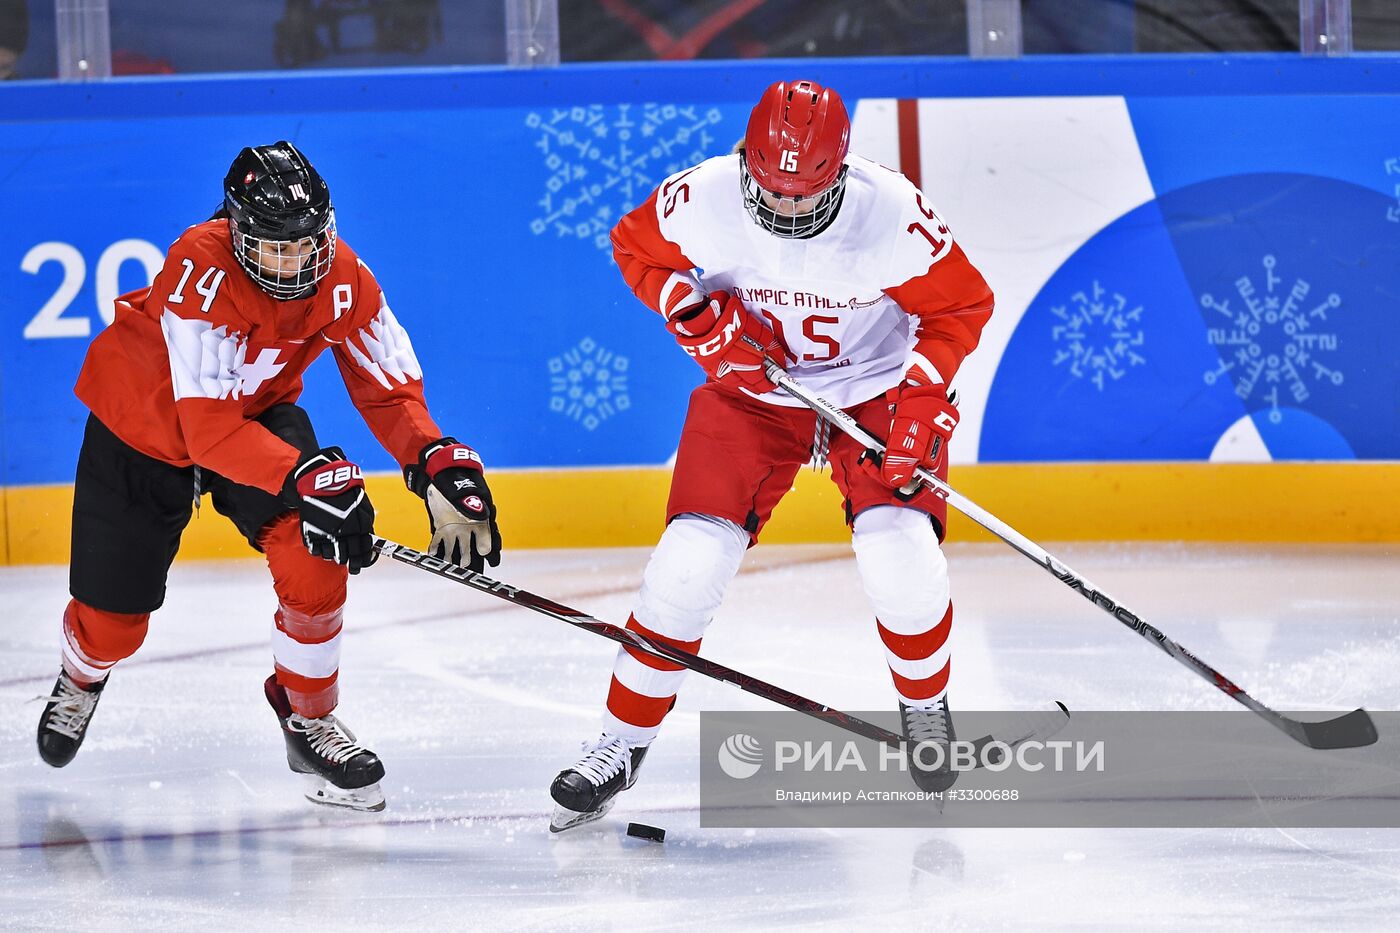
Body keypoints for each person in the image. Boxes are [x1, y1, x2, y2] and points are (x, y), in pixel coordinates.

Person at [548, 79, 994, 831]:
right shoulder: (703, 198)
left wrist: (922, 394)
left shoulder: (891, 216)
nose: (786, 208)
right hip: (754, 388)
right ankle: (619, 743)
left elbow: (961, 307)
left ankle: (926, 708)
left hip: (873, 387)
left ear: (842, 173)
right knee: (687, 563)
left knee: (900, 552)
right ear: (746, 160)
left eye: (807, 195)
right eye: (772, 191)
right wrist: (696, 322)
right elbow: (635, 250)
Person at [36, 141, 501, 812]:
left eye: (308, 243)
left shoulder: (343, 277)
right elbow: (207, 429)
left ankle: (307, 717)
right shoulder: (199, 263)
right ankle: (81, 676)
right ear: (237, 231)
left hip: (255, 417)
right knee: (114, 628)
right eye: (276, 247)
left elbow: (388, 386)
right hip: (143, 424)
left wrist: (431, 458)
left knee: (315, 552)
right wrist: (306, 475)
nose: (296, 262)